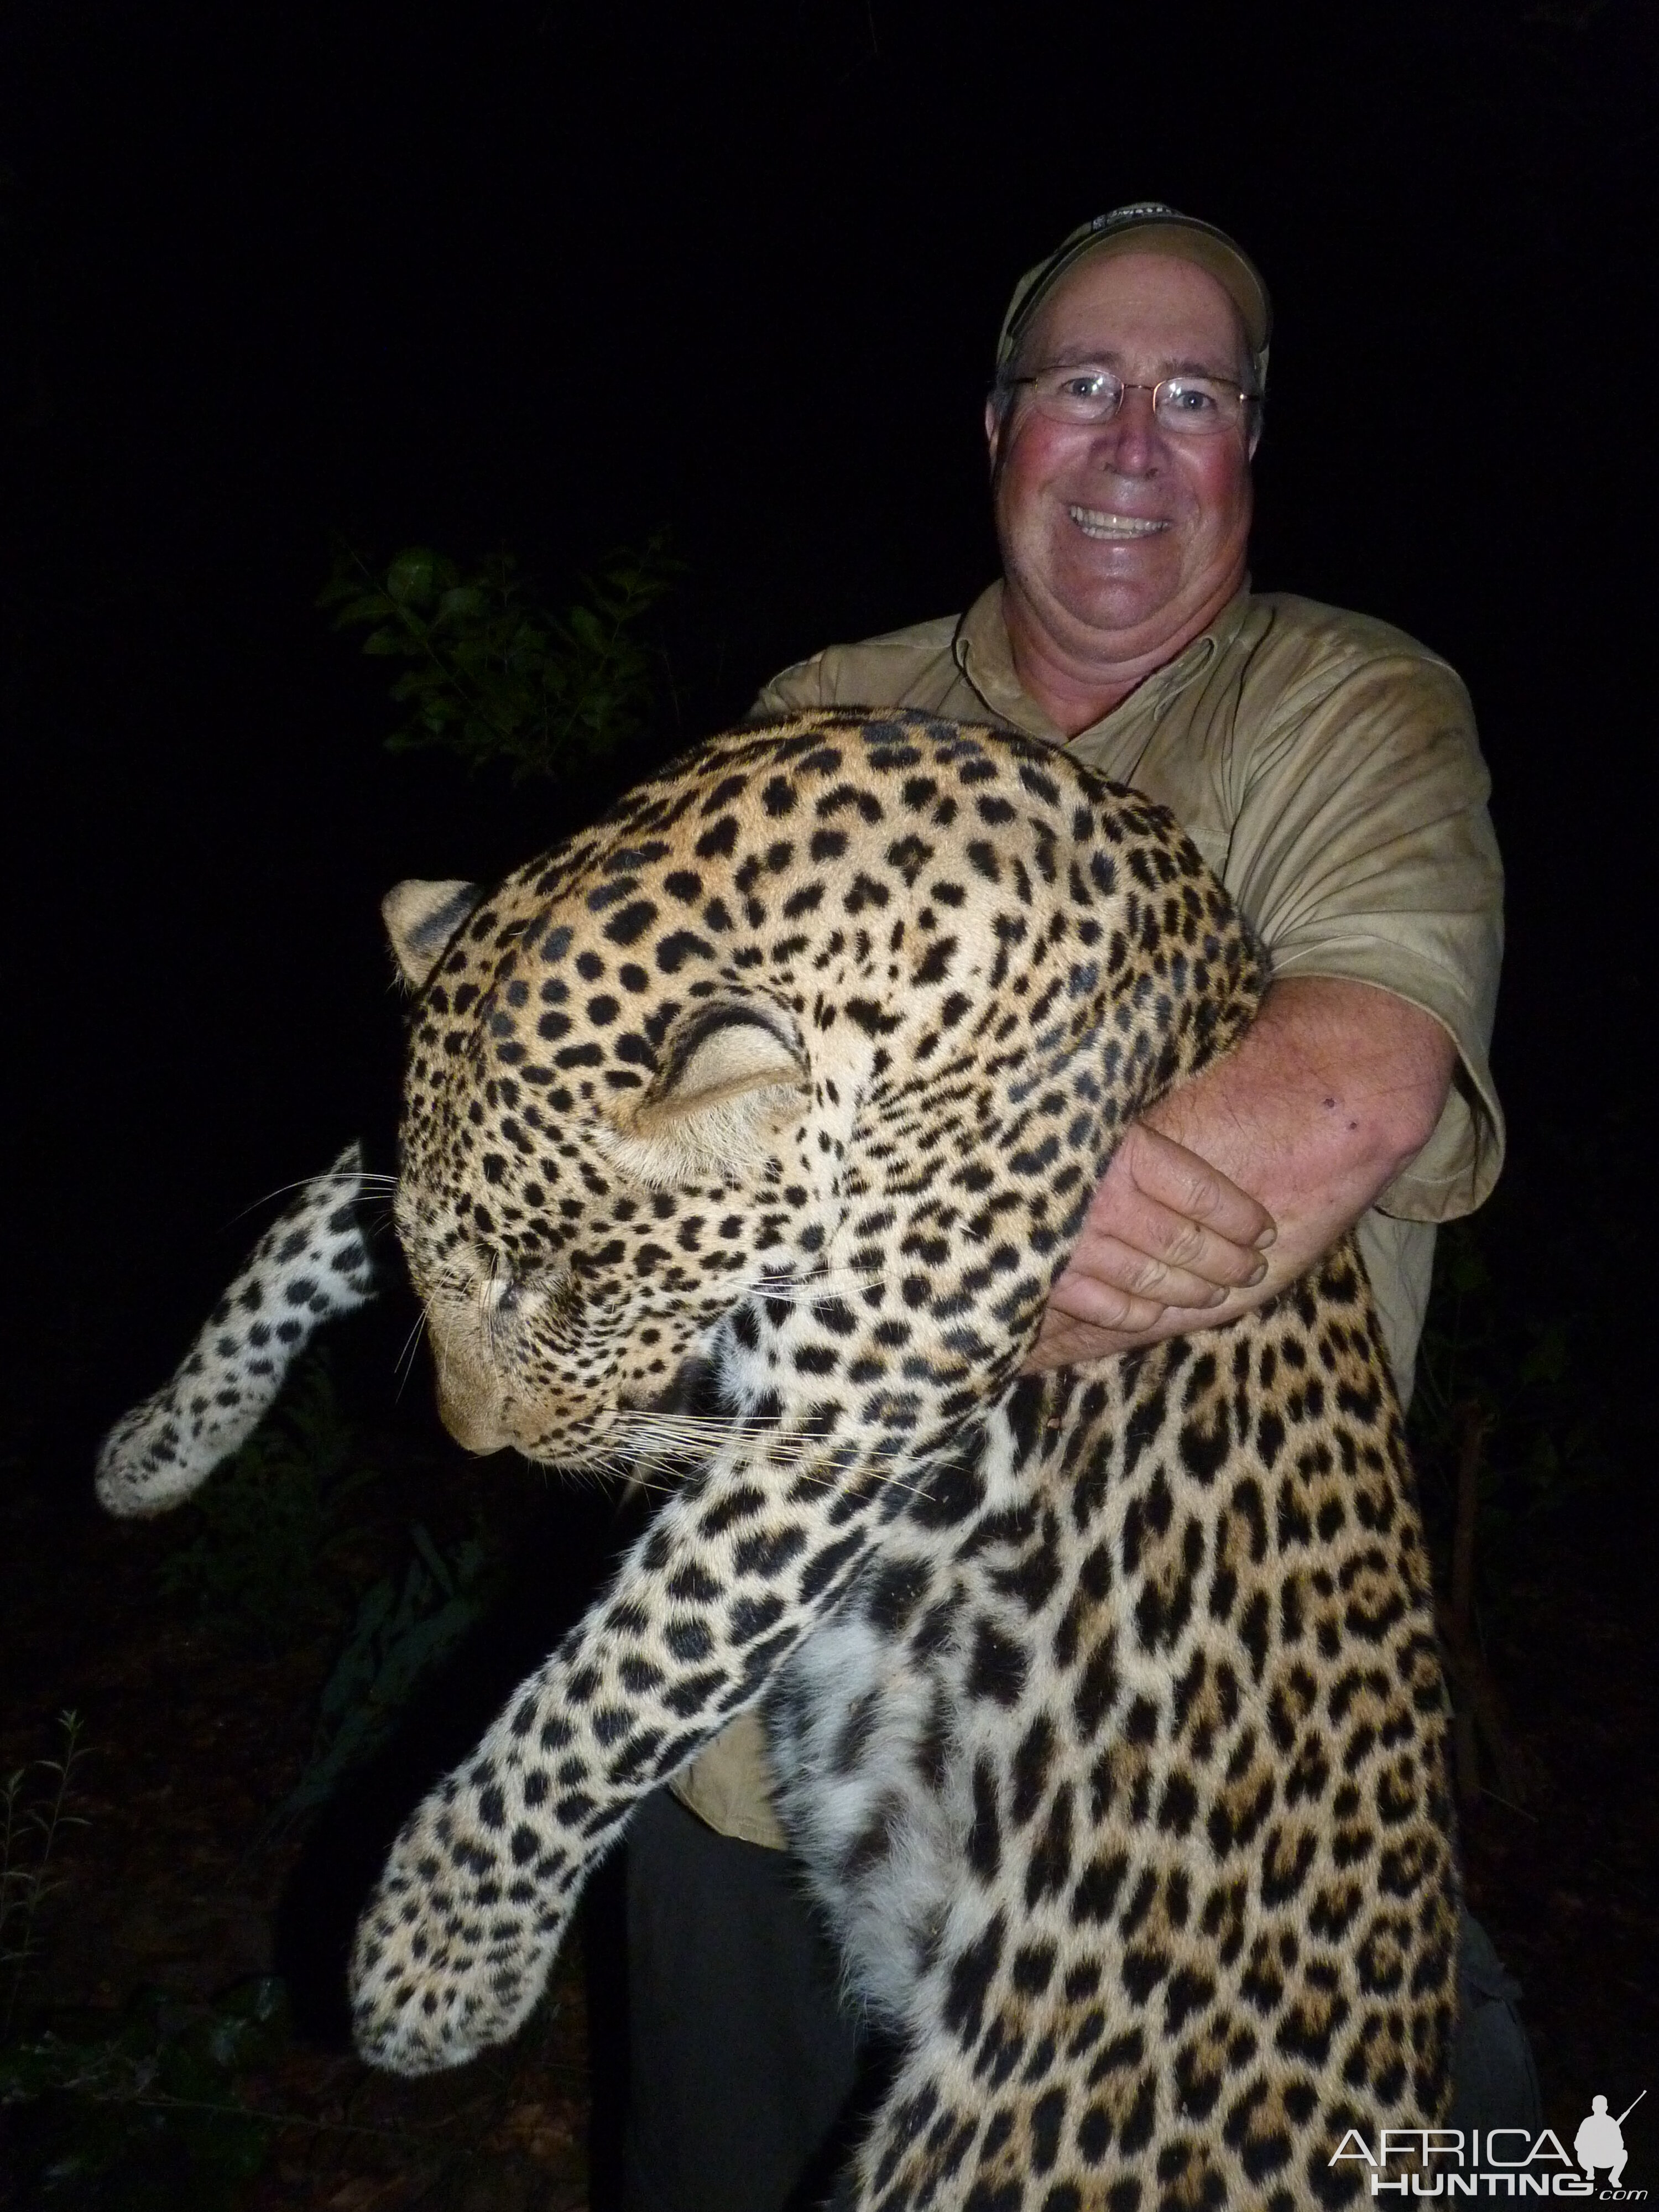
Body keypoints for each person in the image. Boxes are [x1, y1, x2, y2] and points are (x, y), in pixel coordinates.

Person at [621, 205, 1520, 2212]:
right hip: (765, 1755)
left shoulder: (1350, 712)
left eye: (1193, 397)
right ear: (1000, 429)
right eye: (1084, 388)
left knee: (1519, 2157)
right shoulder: (817, 714)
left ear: (1249, 453)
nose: (1133, 444)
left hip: (1191, 1814)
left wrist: (882, 1240)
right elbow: (673, 1162)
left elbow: (1344, 1100)